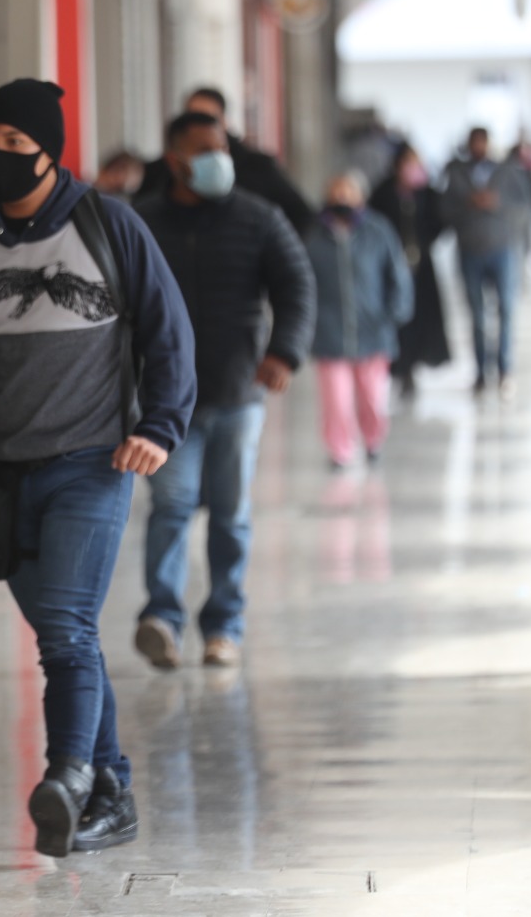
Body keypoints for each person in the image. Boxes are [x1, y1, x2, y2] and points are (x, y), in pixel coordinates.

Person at [0, 79, 197, 858]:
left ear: (49, 147)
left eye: (13, 141)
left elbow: (169, 331)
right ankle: (111, 789)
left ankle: (66, 777)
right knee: (66, 636)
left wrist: (160, 427)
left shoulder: (109, 226)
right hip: (3, 477)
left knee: (66, 629)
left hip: (91, 466)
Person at [134, 111, 315, 671]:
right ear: (175, 160)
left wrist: (284, 350)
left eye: (224, 149)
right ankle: (162, 617)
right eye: (206, 149)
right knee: (171, 507)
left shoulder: (257, 218)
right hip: (166, 403)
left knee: (231, 514)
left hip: (237, 393)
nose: (220, 160)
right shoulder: (140, 224)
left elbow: (296, 283)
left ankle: (224, 627)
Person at [305, 171, 414, 469]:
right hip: (328, 333)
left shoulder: (378, 231)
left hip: (373, 331)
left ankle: (373, 439)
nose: (341, 199)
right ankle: (340, 450)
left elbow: (398, 275)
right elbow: (301, 283)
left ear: (360, 198)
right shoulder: (313, 235)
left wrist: (395, 312)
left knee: (372, 397)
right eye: (335, 193)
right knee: (336, 401)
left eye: (348, 193)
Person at [137, 86, 316, 236]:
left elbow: (302, 216)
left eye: (209, 118)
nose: (202, 125)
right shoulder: (160, 174)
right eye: (194, 116)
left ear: (223, 122)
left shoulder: (258, 172)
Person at [442, 127, 531, 397]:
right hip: (470, 249)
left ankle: (506, 369)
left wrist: (498, 204)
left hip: (503, 248)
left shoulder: (507, 172)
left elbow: (525, 208)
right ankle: (481, 372)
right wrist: (468, 204)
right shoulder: (457, 174)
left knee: (506, 310)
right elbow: (444, 210)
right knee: (477, 314)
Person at [369, 143, 450, 398]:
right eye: (409, 163)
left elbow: (441, 221)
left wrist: (423, 244)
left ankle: (413, 368)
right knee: (398, 318)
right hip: (391, 268)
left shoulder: (427, 193)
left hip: (422, 267)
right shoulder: (383, 193)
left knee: (421, 317)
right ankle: (398, 368)